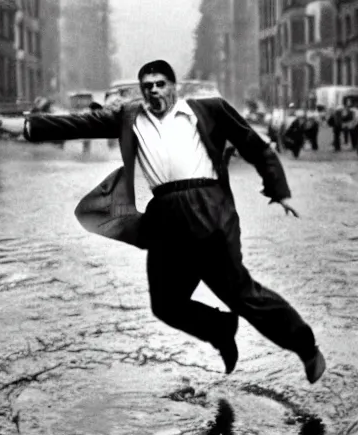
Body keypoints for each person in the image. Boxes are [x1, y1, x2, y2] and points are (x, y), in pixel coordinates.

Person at [22, 60, 326, 384]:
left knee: (242, 294)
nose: (154, 90)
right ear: (142, 92)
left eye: (161, 83)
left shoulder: (210, 109)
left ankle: (306, 348)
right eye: (148, 86)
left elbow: (254, 145)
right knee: (166, 305)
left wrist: (279, 190)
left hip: (208, 212)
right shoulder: (130, 117)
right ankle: (221, 329)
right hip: (166, 220)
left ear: (173, 86)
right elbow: (77, 124)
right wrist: (21, 127)